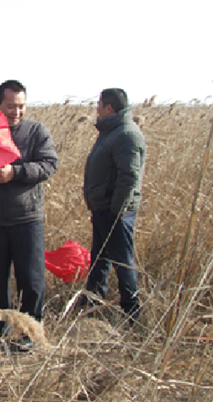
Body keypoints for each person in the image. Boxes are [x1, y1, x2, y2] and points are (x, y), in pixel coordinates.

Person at [0, 80, 59, 350]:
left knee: (31, 279)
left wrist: (15, 172)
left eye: (21, 106)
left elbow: (49, 164)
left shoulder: (36, 132)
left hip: (27, 217)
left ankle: (31, 332)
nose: (16, 112)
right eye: (11, 106)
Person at [81, 88, 146, 323]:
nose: (96, 110)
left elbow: (129, 177)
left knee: (122, 262)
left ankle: (133, 314)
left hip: (116, 213)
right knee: (99, 259)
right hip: (103, 209)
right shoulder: (111, 131)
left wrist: (116, 211)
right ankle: (91, 305)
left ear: (109, 109)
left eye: (99, 105)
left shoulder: (127, 134)